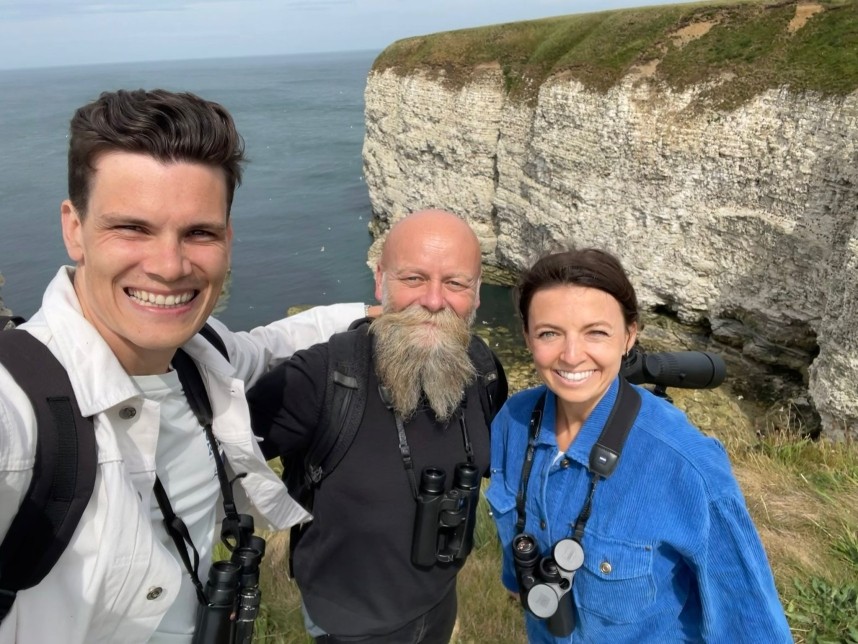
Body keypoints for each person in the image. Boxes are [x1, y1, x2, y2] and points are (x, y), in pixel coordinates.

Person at [0, 88, 374, 643]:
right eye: (132, 228)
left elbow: (273, 343)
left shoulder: (203, 357)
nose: (170, 266)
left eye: (200, 233)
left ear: (228, 239)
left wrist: (378, 312)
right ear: (74, 229)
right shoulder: (19, 410)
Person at [486, 248, 793, 643]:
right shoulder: (513, 423)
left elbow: (751, 627)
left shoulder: (687, 465)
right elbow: (516, 539)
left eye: (596, 332)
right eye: (549, 333)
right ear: (527, 337)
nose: (572, 355)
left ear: (629, 336)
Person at [248, 209, 508, 643]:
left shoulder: (481, 370)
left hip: (439, 602)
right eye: (413, 279)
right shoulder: (324, 377)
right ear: (380, 282)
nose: (434, 300)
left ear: (477, 294)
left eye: (456, 283)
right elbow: (214, 452)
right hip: (347, 622)